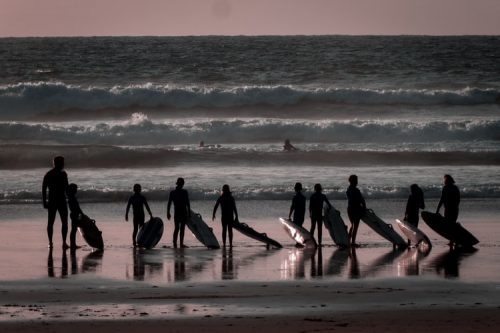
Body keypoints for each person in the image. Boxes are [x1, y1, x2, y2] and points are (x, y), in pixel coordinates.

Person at [42, 156, 69, 249]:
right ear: (60, 163)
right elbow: (67, 188)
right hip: (61, 200)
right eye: (63, 163)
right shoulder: (63, 174)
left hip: (52, 200)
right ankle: (64, 243)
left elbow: (44, 189)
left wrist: (44, 201)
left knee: (51, 222)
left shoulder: (48, 174)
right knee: (64, 222)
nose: (64, 164)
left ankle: (51, 243)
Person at [167, 178, 191, 248]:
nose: (182, 185)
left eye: (182, 183)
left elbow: (187, 203)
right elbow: (187, 203)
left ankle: (178, 243)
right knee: (178, 228)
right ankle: (177, 243)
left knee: (179, 228)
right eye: (181, 183)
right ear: (180, 184)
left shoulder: (174, 192)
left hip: (180, 212)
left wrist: (168, 212)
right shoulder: (182, 192)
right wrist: (168, 212)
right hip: (180, 212)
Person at [346, 175, 366, 247]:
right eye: (356, 180)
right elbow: (362, 200)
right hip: (356, 209)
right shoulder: (356, 190)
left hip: (350, 209)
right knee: (355, 226)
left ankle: (348, 241)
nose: (357, 182)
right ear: (354, 181)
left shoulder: (348, 190)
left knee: (352, 225)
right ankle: (353, 242)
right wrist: (364, 208)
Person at [67, 183, 83, 250]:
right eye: (75, 189)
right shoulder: (72, 198)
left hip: (73, 214)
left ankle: (73, 244)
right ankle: (73, 245)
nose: (76, 190)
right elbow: (76, 207)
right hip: (74, 215)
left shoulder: (71, 197)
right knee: (73, 230)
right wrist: (81, 213)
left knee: (74, 230)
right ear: (72, 190)